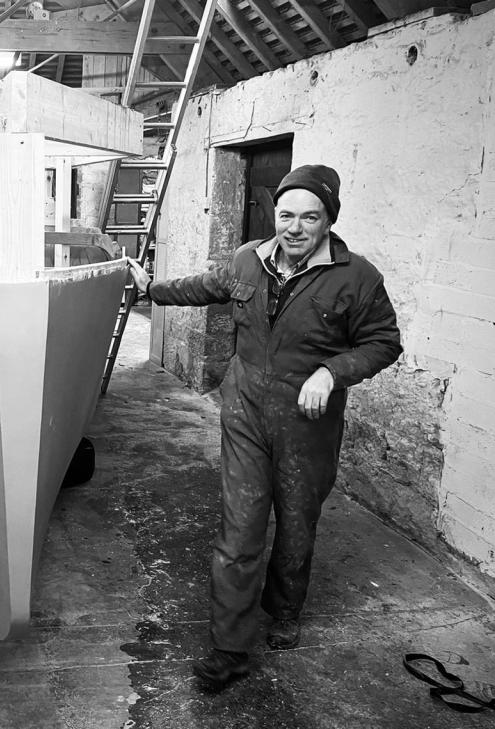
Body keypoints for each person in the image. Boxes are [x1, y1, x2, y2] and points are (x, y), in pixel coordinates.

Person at [127, 165, 402, 690]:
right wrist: (150, 290)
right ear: (274, 214)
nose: (295, 228)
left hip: (308, 423)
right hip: (246, 410)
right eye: (286, 214)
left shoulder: (358, 277)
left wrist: (332, 371)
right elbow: (204, 286)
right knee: (241, 524)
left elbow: (383, 342)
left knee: (297, 521)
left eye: (309, 217)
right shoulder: (247, 260)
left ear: (328, 221)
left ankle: (286, 606)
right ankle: (229, 646)